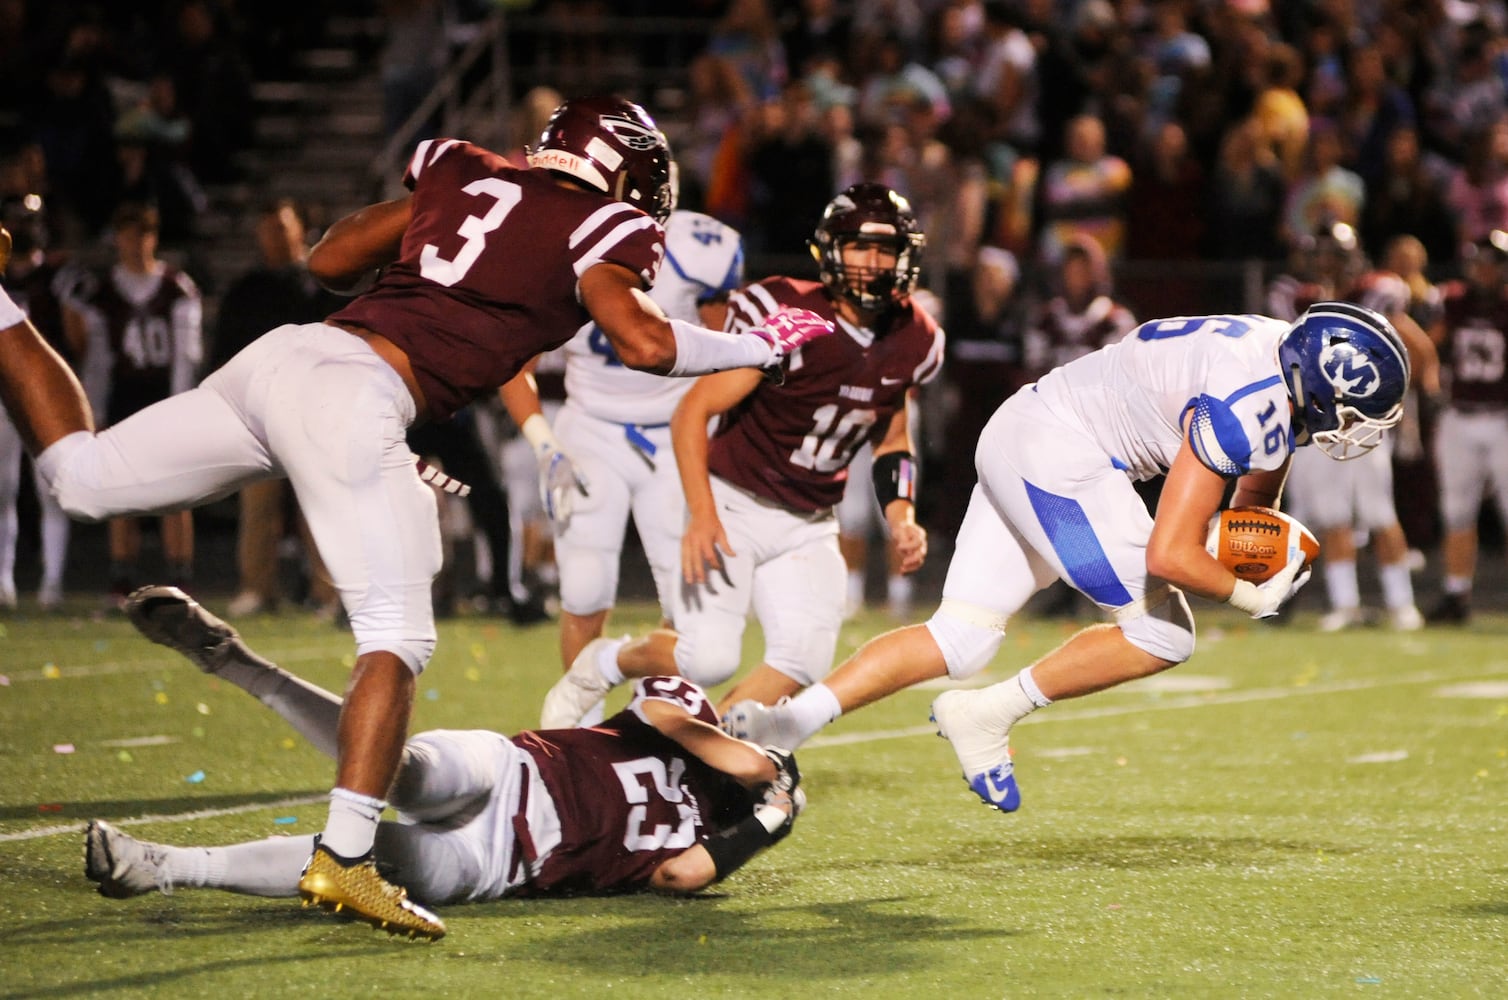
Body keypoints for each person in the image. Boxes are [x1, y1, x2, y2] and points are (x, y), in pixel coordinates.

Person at [0, 94, 832, 940]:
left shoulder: (467, 168)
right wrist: (759, 346)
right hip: (360, 391)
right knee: (398, 635)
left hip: (287, 357)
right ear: (619, 168)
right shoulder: (603, 224)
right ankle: (348, 861)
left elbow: (329, 259)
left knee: (82, 477)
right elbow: (648, 342)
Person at [726, 302, 1412, 814]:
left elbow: (1253, 494)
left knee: (961, 638)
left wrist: (1255, 540)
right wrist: (1251, 594)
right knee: (1163, 634)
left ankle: (791, 722)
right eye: (1355, 413)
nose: (1353, 430)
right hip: (1063, 459)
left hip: (1029, 429)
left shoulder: (1273, 356)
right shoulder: (1249, 402)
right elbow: (1172, 554)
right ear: (1322, 385)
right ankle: (988, 712)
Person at [86, 586, 802, 918]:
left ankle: (160, 868)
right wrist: (765, 783)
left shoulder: (712, 827)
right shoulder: (694, 719)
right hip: (512, 773)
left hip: (503, 861)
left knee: (358, 857)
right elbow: (671, 721)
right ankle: (235, 661)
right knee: (398, 773)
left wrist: (761, 826)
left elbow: (681, 877)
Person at [541, 183, 942, 728]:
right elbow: (692, 412)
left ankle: (707, 757)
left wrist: (902, 517)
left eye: (885, 249)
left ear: (906, 256)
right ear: (831, 252)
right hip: (735, 501)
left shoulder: (915, 337)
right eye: (858, 248)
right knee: (707, 657)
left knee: (803, 657)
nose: (872, 263)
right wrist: (701, 515)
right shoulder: (789, 315)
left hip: (810, 519)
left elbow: (892, 436)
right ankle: (604, 661)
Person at [499, 207, 745, 712]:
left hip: (676, 433)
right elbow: (511, 363)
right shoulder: (559, 246)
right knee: (585, 588)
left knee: (694, 618)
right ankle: (581, 739)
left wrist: (711, 432)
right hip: (591, 430)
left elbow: (728, 350)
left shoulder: (702, 248)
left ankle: (654, 719)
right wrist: (546, 444)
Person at [1267, 221, 1438, 631]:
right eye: (1320, 256)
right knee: (1333, 517)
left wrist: (1412, 391)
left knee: (1380, 513)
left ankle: (1401, 604)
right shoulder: (1296, 296)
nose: (1326, 265)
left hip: (1362, 422)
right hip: (1319, 421)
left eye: (1334, 256)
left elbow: (1413, 346)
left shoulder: (1375, 292)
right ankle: (1346, 604)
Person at [63, 202, 202, 602]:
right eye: (126, 234)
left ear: (153, 237)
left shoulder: (177, 286)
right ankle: (122, 574)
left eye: (141, 234)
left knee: (177, 490)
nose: (134, 243)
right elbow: (99, 359)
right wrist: (96, 409)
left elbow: (185, 355)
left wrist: (179, 408)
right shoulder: (104, 292)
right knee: (121, 489)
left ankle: (181, 572)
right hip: (124, 394)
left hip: (162, 393)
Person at [210, 198, 341, 619]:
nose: (274, 238)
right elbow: (224, 352)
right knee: (258, 507)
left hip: (314, 407)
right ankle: (257, 587)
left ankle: (328, 593)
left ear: (300, 231)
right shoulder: (246, 289)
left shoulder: (324, 283)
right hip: (261, 411)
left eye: (282, 229)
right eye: (267, 230)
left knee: (319, 504)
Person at [1424, 231, 1508, 624]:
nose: (1484, 272)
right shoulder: (1456, 303)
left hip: (1503, 418)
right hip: (1460, 416)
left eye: (1491, 264)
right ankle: (1456, 595)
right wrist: (1429, 379)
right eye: (1479, 263)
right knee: (1457, 512)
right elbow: (1427, 346)